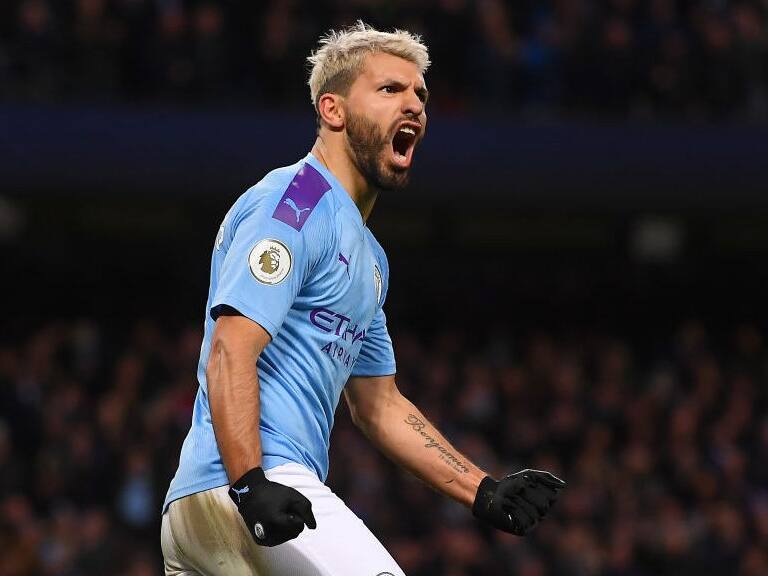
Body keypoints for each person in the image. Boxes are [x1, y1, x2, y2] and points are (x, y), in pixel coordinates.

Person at [161, 21, 565, 575]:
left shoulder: (370, 259)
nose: (415, 105)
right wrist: (250, 482)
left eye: (420, 94)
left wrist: (484, 491)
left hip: (224, 506)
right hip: (247, 484)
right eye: (390, 89)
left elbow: (379, 406)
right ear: (333, 111)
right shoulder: (295, 201)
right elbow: (232, 348)